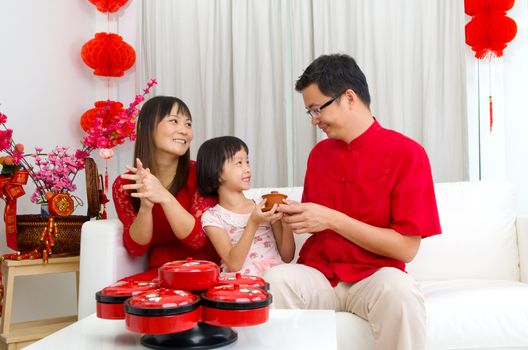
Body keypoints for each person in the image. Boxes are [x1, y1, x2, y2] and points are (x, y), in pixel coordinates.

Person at [263, 54, 442, 350]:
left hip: (374, 278)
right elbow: (313, 224)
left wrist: (332, 219)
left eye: (317, 109)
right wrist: (293, 216)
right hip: (321, 275)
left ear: (349, 97)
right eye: (309, 112)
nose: (315, 120)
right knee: (275, 281)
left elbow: (406, 248)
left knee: (401, 293)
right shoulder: (319, 155)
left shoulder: (407, 154)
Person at [112, 95, 219, 281]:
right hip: (160, 274)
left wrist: (165, 196)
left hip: (203, 271)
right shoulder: (125, 184)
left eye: (188, 124)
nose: (184, 131)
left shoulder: (200, 173)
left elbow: (197, 239)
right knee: (115, 298)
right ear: (147, 127)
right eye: (174, 121)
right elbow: (136, 248)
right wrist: (146, 207)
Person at [196, 136, 295, 276]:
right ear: (217, 173)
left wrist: (286, 224)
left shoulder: (264, 205)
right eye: (239, 163)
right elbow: (234, 264)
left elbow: (287, 256)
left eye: (247, 162)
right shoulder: (212, 217)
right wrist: (253, 222)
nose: (247, 169)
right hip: (240, 284)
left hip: (275, 278)